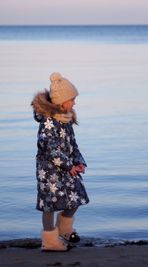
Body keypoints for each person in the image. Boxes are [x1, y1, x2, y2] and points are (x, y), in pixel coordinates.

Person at [31, 72, 89, 251]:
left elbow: (72, 144)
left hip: (66, 168)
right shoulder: (49, 123)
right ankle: (50, 240)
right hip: (49, 171)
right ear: (62, 101)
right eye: (72, 99)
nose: (74, 103)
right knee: (50, 204)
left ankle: (64, 229)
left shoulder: (66, 120)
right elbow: (50, 149)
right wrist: (67, 165)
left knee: (77, 196)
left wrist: (78, 162)